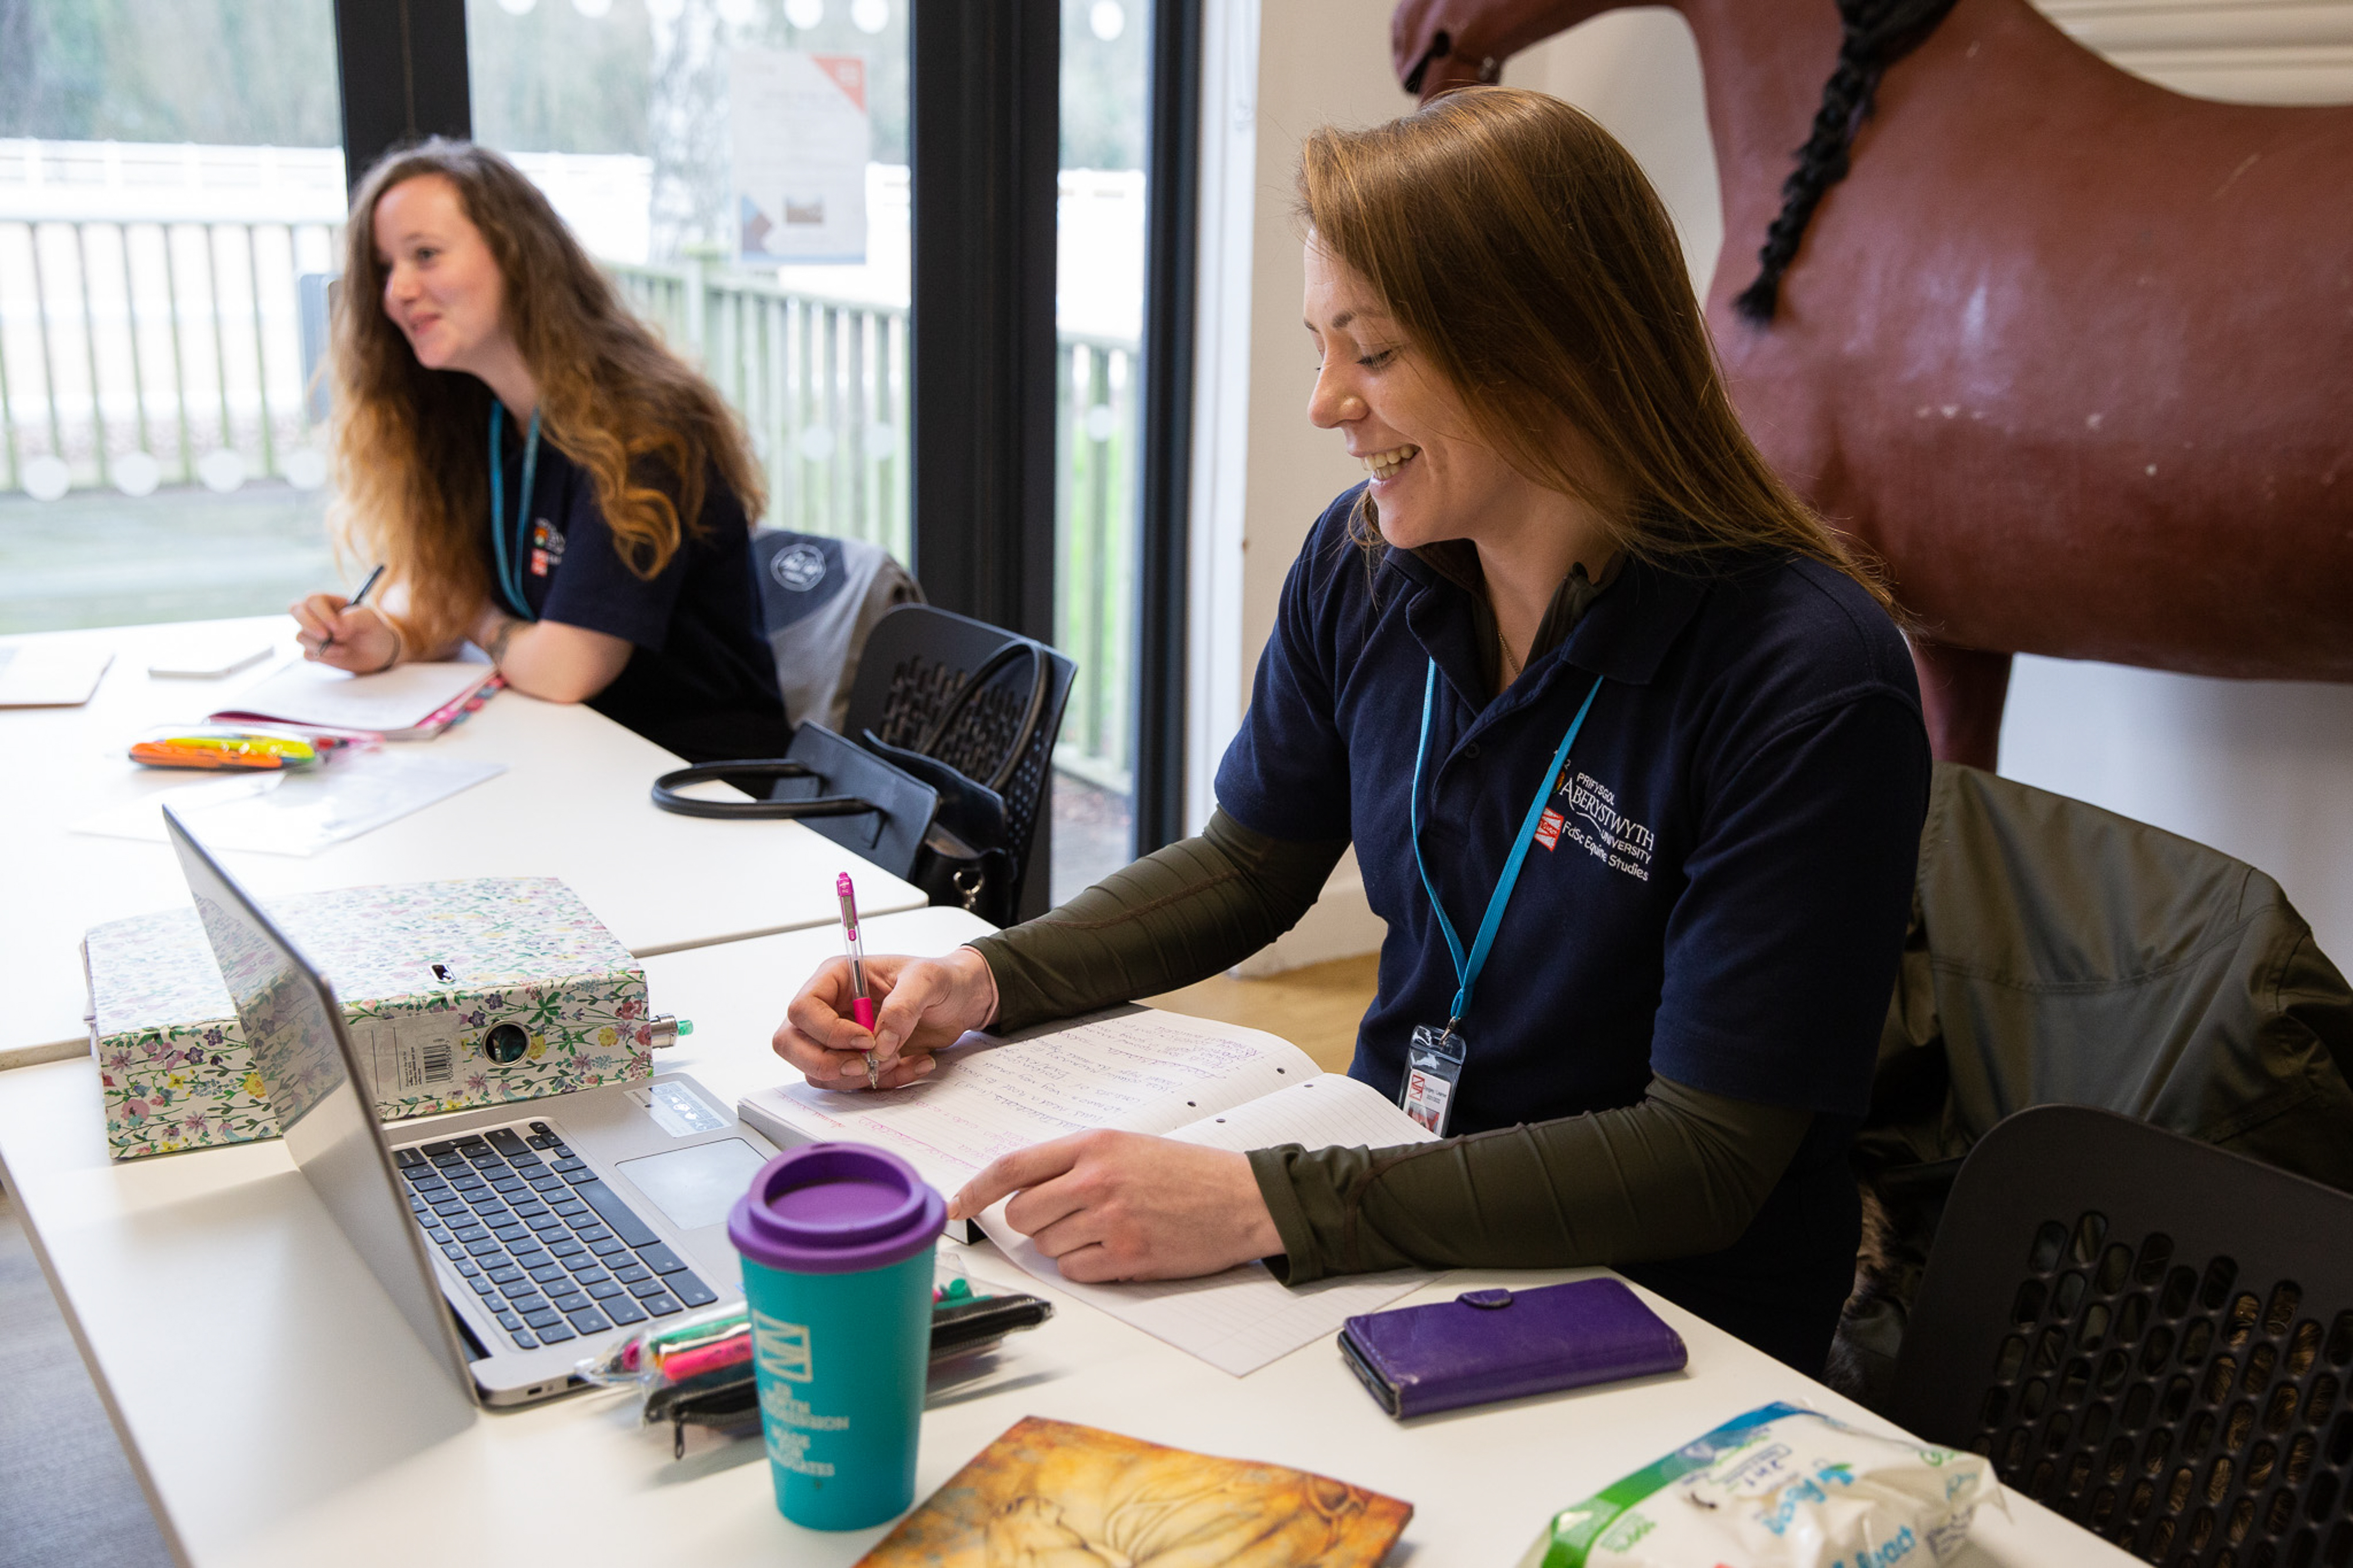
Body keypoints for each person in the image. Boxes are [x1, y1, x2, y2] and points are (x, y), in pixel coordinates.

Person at [773, 88, 1932, 1374]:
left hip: (1656, 1312)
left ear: (1555, 351)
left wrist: (1266, 1201)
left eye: (1371, 354)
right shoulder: (1367, 559)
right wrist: (982, 979)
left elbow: (1705, 1157)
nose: (1326, 405)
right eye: (1322, 346)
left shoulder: (1807, 680)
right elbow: (1244, 864)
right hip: (1393, 1201)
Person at [289, 139, 789, 763]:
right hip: (573, 757)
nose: (398, 291)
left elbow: (562, 669)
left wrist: (468, 611)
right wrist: (389, 640)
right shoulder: (485, 416)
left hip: (697, 781)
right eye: (387, 267)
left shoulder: (641, 430)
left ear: (517, 256)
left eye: (425, 255)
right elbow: (447, 598)